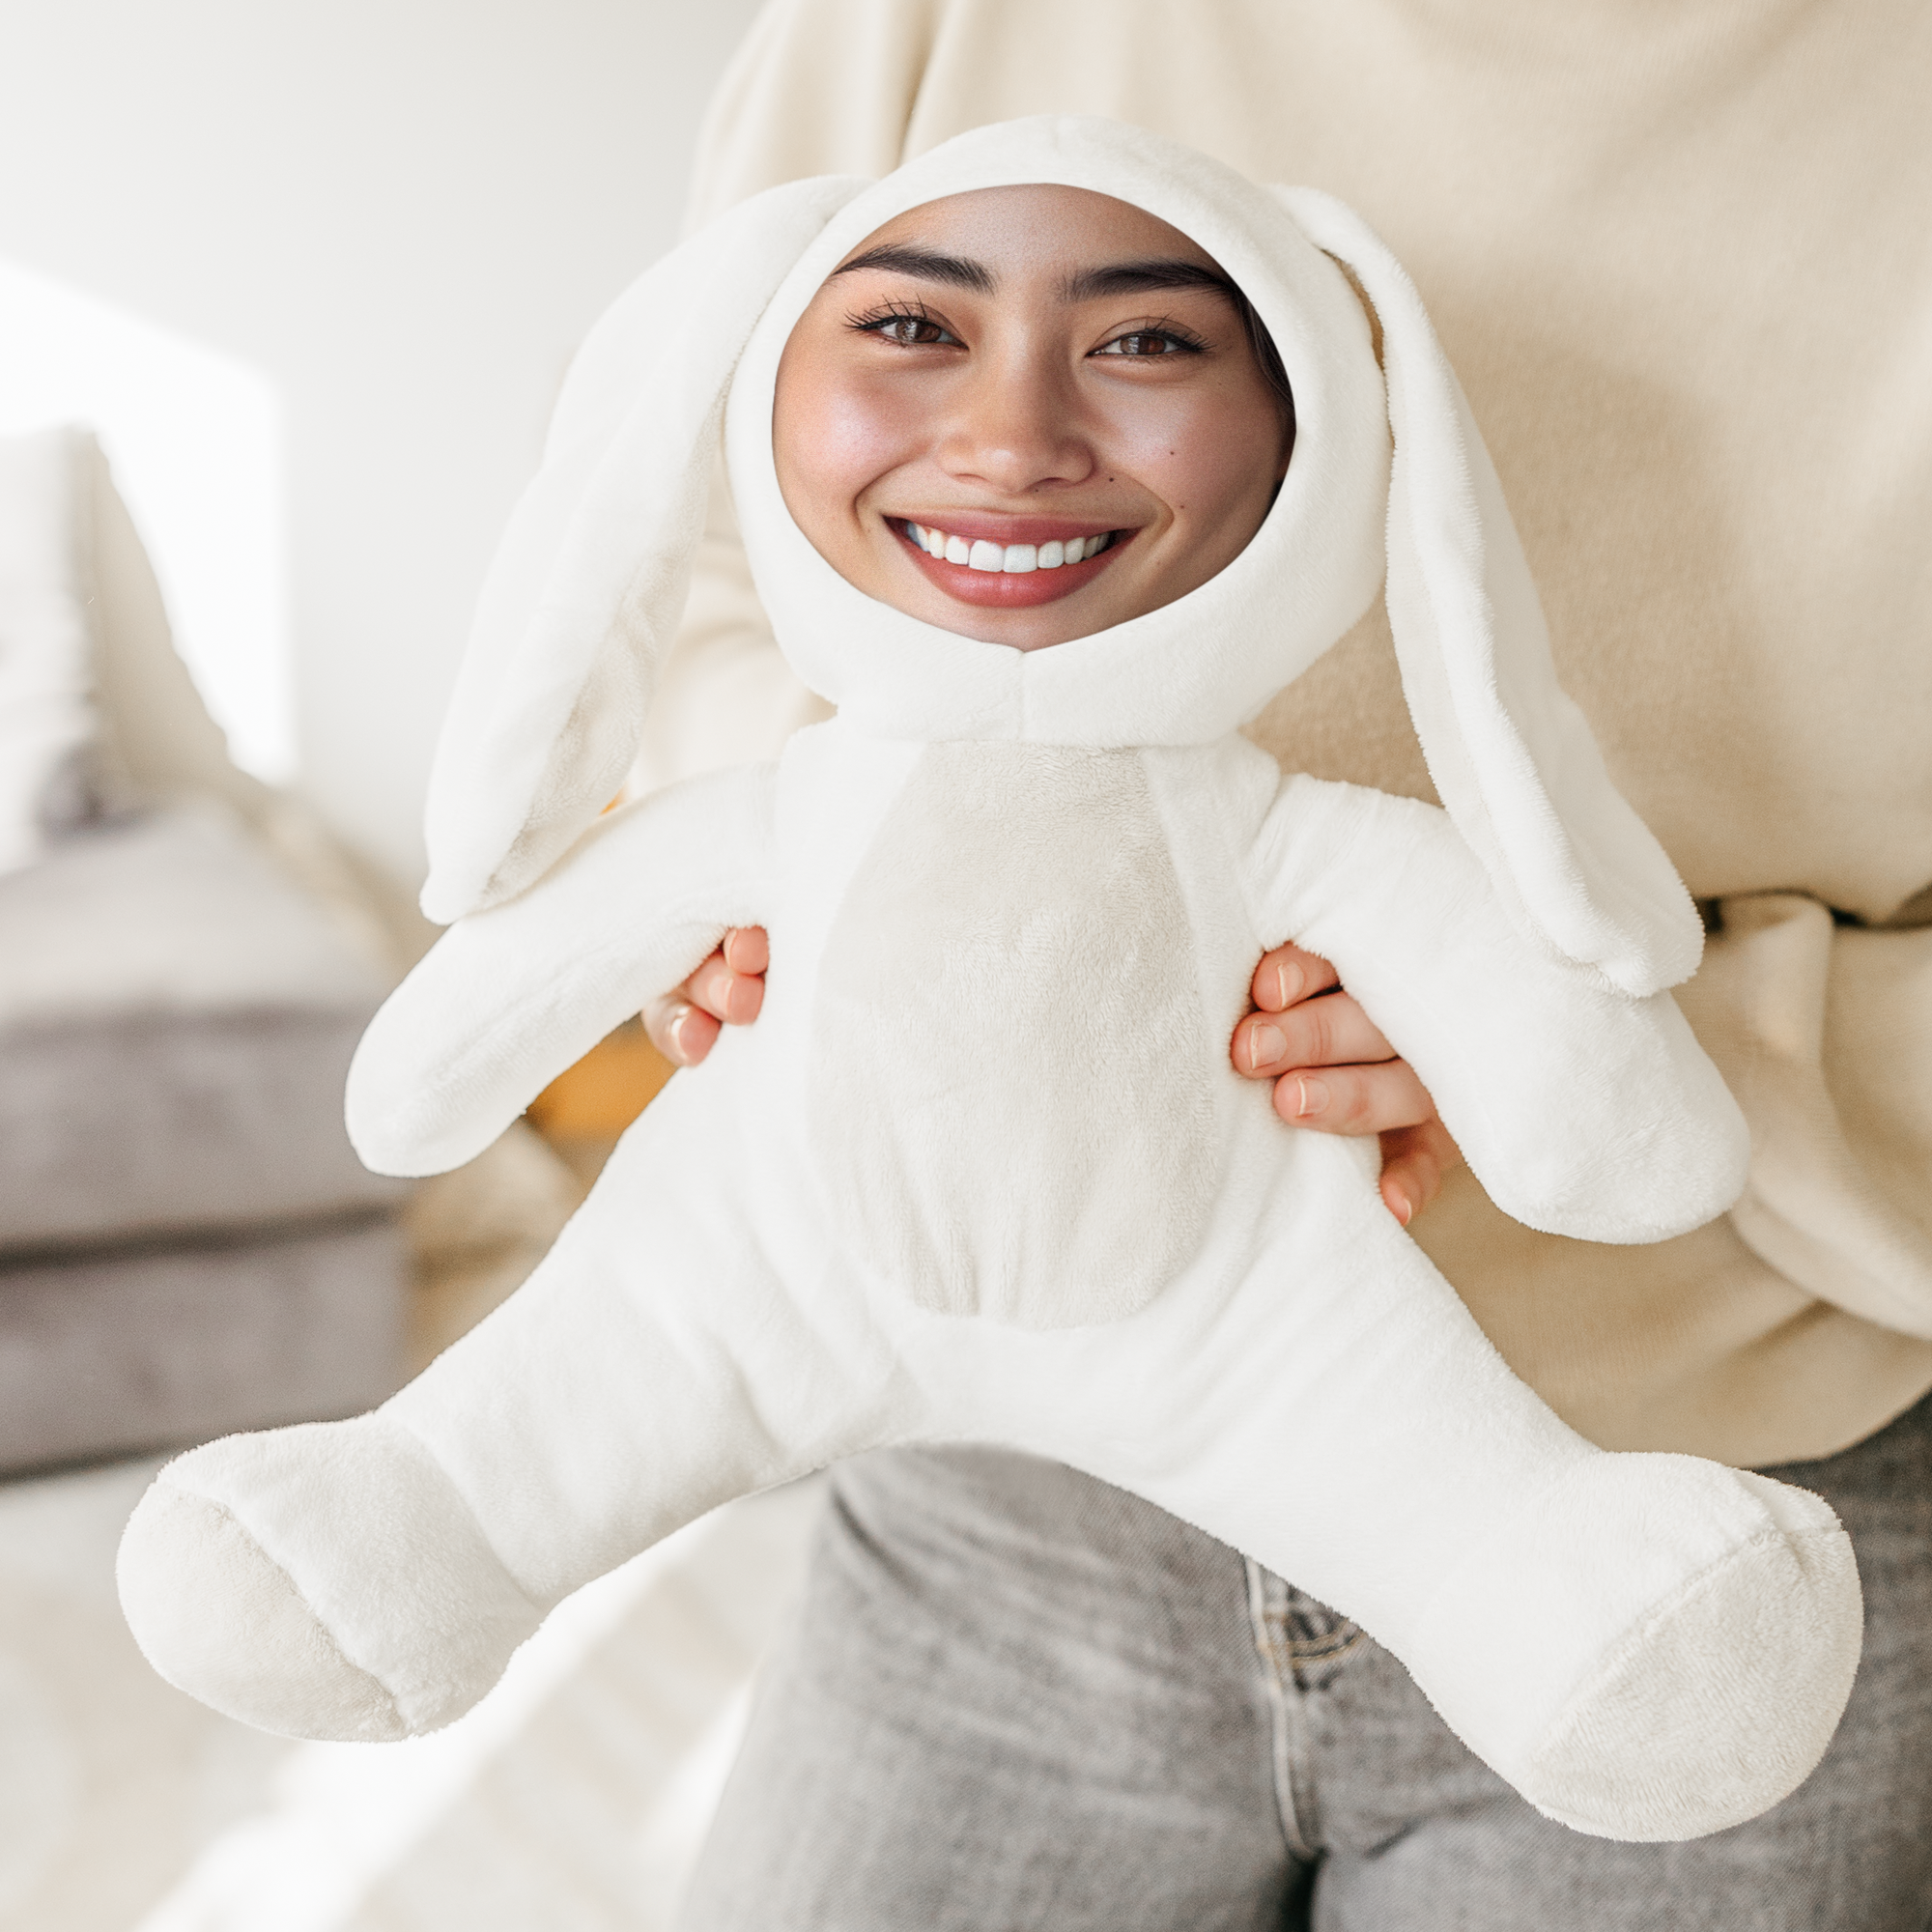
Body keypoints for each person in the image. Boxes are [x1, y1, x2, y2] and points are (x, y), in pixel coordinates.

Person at [632, 5, 1932, 1929]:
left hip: (1694, 1544)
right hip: (999, 1487)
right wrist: (831, 867)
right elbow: (698, 566)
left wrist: (1601, 1052)